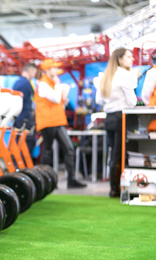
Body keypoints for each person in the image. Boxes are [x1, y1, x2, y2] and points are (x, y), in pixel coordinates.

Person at [35, 58, 86, 189]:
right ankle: (47, 182)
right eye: (54, 68)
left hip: (58, 121)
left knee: (69, 148)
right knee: (47, 151)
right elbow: (56, 98)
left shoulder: (51, 84)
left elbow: (61, 101)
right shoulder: (43, 84)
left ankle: (71, 180)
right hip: (47, 121)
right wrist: (58, 86)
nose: (57, 70)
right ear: (47, 70)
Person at [96, 48, 137, 198]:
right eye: (128, 56)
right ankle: (117, 189)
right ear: (120, 59)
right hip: (122, 117)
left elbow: (98, 100)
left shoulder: (105, 76)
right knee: (120, 154)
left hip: (109, 117)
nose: (132, 59)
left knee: (113, 152)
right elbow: (132, 102)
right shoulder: (125, 76)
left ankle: (114, 188)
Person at [13, 63, 38, 155]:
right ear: (30, 71)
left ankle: (19, 166)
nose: (34, 75)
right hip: (24, 119)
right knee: (26, 144)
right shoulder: (25, 83)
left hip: (21, 118)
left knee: (22, 144)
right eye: (34, 73)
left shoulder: (19, 82)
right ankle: (21, 167)